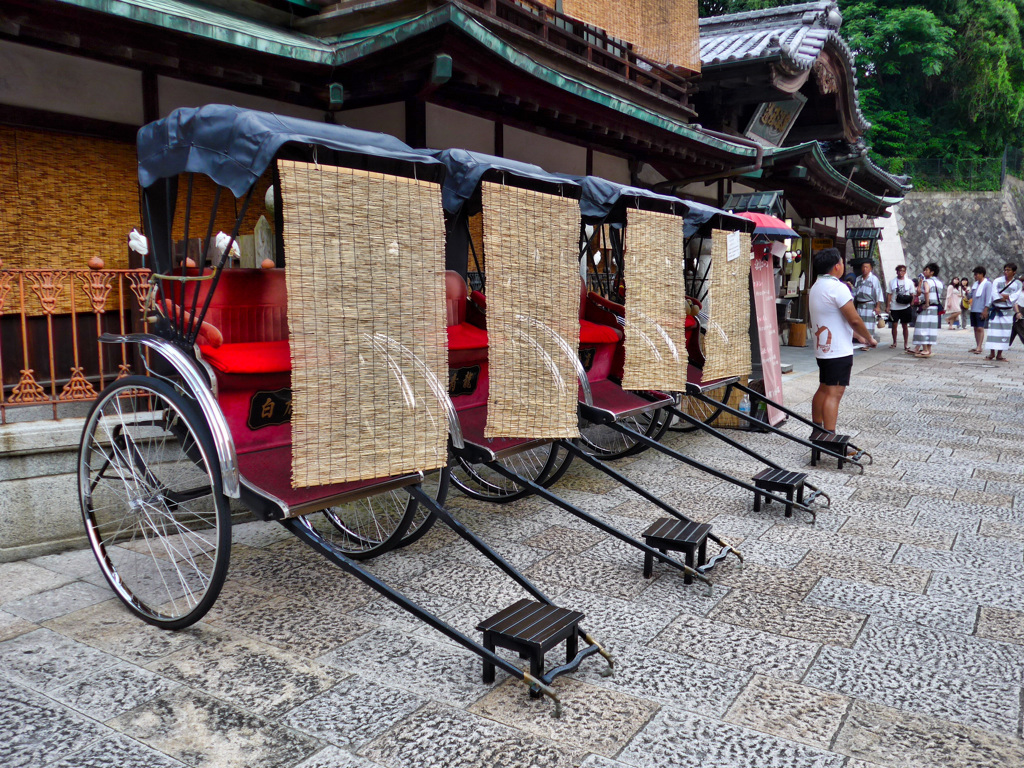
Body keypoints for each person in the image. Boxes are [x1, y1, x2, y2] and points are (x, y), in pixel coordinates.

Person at [808, 248, 876, 433]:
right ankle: (830, 435)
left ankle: (817, 429)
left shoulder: (816, 287)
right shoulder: (838, 287)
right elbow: (853, 318)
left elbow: (833, 319)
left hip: (823, 349)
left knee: (823, 388)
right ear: (837, 266)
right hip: (838, 350)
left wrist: (858, 336)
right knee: (834, 393)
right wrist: (869, 337)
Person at [982, 262, 1023, 361]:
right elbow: (994, 294)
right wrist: (1005, 297)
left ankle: (999, 354)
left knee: (1005, 333)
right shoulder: (997, 281)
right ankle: (991, 353)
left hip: (1008, 311)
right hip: (996, 310)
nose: (1006, 272)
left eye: (1008, 270)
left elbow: (1015, 297)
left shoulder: (1017, 284)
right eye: (1005, 270)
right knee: (993, 332)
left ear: (1014, 272)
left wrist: (1006, 297)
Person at [910, 262, 943, 357]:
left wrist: (927, 303)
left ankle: (924, 349)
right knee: (931, 328)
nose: (924, 272)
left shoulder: (927, 281)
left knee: (922, 327)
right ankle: (929, 349)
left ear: (932, 272)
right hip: (935, 308)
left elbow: (926, 291)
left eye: (926, 270)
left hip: (927, 307)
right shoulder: (939, 283)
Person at [853, 261, 884, 341]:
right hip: (860, 304)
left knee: (869, 324)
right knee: (860, 323)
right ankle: (862, 340)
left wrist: (877, 306)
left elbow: (878, 293)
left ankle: (869, 340)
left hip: (869, 303)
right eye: (863, 267)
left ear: (870, 268)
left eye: (867, 267)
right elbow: (855, 292)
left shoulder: (874, 279)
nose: (864, 269)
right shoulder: (858, 279)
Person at [887, 264, 915, 350]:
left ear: (905, 272)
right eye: (899, 271)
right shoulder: (892, 282)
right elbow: (889, 294)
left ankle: (906, 343)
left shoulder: (909, 282)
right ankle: (894, 342)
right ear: (897, 272)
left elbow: (912, 294)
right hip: (895, 306)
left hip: (905, 306)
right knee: (894, 325)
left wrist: (912, 303)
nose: (900, 273)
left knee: (905, 325)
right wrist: (888, 306)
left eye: (902, 271)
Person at [969, 266, 993, 354]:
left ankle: (980, 346)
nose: (975, 276)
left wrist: (986, 309)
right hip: (974, 308)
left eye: (976, 274)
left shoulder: (987, 284)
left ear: (981, 274)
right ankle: (977, 345)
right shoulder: (975, 284)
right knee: (975, 328)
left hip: (981, 309)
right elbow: (971, 295)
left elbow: (989, 297)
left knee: (980, 328)